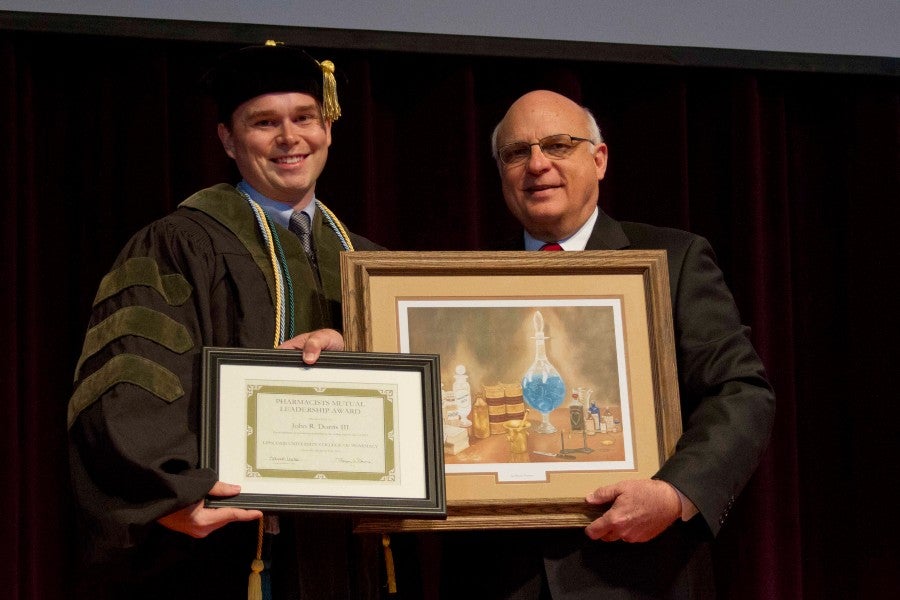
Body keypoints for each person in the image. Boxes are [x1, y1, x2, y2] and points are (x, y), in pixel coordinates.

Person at [67, 42, 383, 600]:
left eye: (304, 117)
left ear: (328, 128)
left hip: (348, 550)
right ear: (228, 140)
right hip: (221, 552)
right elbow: (128, 381)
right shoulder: (179, 245)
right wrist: (169, 495)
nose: (290, 138)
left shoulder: (373, 267)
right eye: (264, 123)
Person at [435, 90, 775, 598]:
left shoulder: (672, 259)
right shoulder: (460, 284)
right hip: (498, 577)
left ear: (599, 159)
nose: (537, 165)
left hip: (641, 573)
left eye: (557, 145)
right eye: (516, 153)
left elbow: (742, 392)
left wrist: (674, 492)